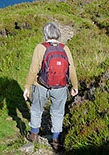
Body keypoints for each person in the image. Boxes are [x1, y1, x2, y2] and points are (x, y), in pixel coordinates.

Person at [23, 22, 79, 150]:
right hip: (61, 86)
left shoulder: (40, 47)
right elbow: (71, 69)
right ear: (58, 34)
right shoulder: (65, 48)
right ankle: (56, 140)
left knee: (36, 109)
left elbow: (33, 69)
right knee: (58, 112)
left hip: (40, 85)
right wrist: (75, 86)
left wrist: (27, 86)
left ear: (45, 34)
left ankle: (34, 135)